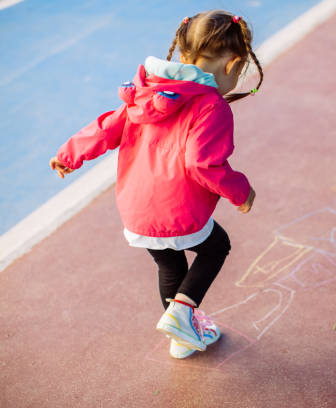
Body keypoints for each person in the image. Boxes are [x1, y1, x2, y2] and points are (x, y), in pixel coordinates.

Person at [49, 10, 262, 359]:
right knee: (216, 246)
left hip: (136, 211)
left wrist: (68, 154)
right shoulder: (212, 106)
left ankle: (181, 336)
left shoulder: (146, 91)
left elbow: (107, 127)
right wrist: (241, 191)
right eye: (239, 72)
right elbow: (201, 163)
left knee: (170, 264)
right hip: (178, 210)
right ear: (231, 65)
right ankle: (182, 312)